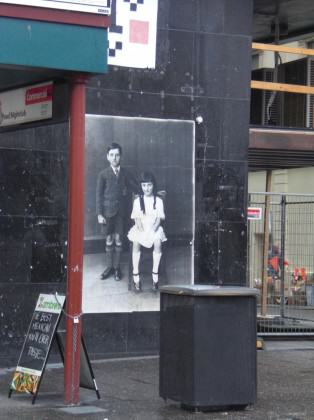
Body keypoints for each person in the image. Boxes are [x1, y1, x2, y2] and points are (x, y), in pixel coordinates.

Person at [96, 142, 137, 281]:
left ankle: (117, 268)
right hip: (107, 212)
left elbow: (135, 187)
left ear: (121, 156)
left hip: (121, 213)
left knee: (119, 239)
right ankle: (109, 267)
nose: (114, 158)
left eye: (117, 155)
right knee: (109, 239)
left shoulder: (125, 173)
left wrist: (127, 192)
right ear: (107, 157)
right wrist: (99, 214)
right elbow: (99, 196)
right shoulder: (103, 174)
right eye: (112, 155)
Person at [127, 171, 167, 292]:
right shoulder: (137, 201)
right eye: (144, 185)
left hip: (153, 227)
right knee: (136, 242)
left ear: (153, 185)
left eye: (149, 185)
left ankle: (155, 275)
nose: (147, 188)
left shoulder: (158, 201)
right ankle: (136, 274)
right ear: (141, 186)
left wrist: (153, 230)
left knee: (158, 242)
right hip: (141, 227)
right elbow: (137, 219)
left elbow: (159, 219)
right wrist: (142, 231)